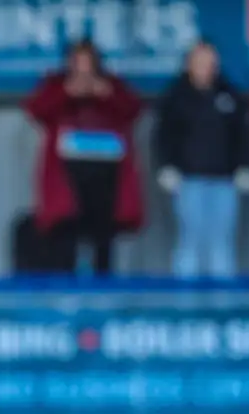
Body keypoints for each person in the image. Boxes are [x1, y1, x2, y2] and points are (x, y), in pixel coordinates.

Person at [23, 39, 144, 275]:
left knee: (103, 235)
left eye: (88, 61)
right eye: (78, 61)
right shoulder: (57, 84)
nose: (84, 68)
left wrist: (106, 94)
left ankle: (103, 283)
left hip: (106, 174)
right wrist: (66, 92)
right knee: (66, 231)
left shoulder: (111, 84)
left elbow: (133, 110)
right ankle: (67, 283)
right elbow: (35, 109)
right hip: (67, 173)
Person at [154, 41, 249, 280]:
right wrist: (166, 166)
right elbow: (163, 136)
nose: (204, 66)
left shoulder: (229, 94)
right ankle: (184, 299)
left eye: (209, 61)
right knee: (190, 240)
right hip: (188, 181)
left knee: (221, 242)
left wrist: (245, 166)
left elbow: (243, 135)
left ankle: (223, 300)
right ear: (189, 64)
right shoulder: (176, 96)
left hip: (225, 181)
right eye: (199, 61)